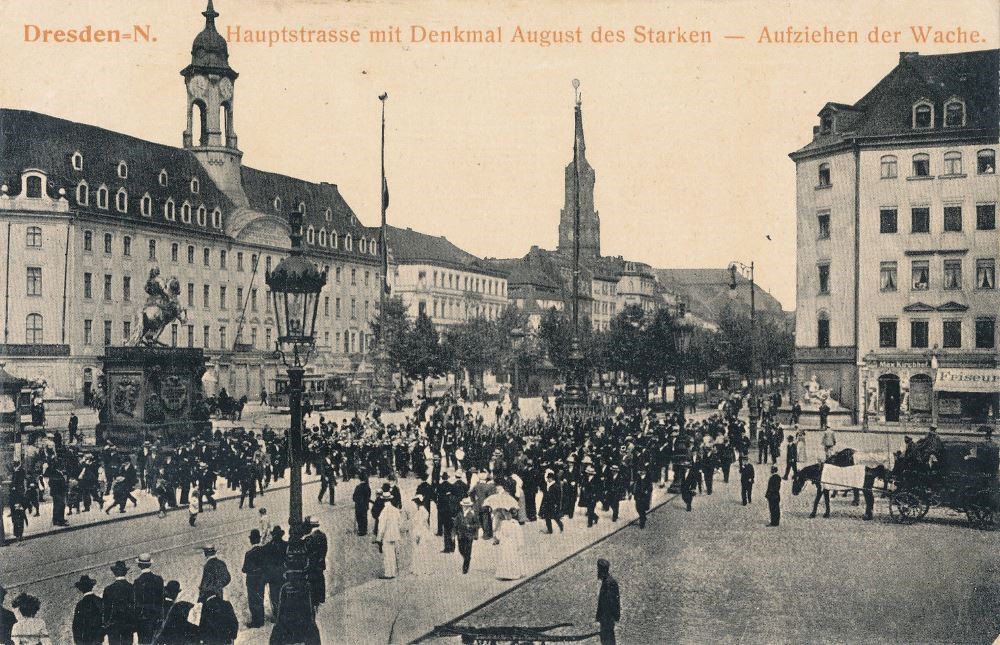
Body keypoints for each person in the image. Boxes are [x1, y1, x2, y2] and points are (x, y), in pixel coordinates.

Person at [133, 553, 164, 645]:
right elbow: (161, 599)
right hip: (157, 616)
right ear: (150, 564)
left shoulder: (138, 582)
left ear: (139, 565)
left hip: (143, 619)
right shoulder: (158, 579)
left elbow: (137, 603)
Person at [102, 560, 135, 645]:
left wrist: (105, 625)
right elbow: (134, 607)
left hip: (113, 626)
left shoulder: (108, 589)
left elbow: (106, 610)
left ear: (114, 573)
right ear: (125, 573)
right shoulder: (131, 588)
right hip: (128, 624)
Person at [156, 580, 198, 645]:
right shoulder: (179, 607)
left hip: (160, 638)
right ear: (176, 593)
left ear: (166, 591)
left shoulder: (159, 605)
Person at [242, 529, 267, 628]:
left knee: (253, 600)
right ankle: (261, 620)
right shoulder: (264, 551)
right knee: (260, 598)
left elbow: (244, 569)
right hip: (261, 578)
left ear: (251, 540)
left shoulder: (249, 554)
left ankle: (256, 621)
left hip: (252, 580)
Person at [303, 517, 328, 611]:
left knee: (313, 582)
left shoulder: (310, 538)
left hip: (312, 565)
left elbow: (308, 552)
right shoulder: (323, 535)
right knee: (320, 579)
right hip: (320, 563)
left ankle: (314, 601)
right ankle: (321, 598)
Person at [494, 507, 525, 580]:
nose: (507, 516)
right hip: (510, 543)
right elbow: (519, 535)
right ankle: (509, 574)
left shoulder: (506, 523)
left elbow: (500, 535)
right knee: (509, 557)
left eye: (508, 514)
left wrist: (497, 535)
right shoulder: (512, 523)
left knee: (508, 558)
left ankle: (508, 574)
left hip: (508, 543)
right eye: (506, 514)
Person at [71, 575, 103, 645]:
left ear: (81, 589)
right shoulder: (99, 601)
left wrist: (79, 642)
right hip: (99, 639)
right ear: (91, 587)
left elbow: (76, 626)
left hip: (85, 640)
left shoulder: (80, 605)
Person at [376, 490, 401, 579]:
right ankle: (393, 572)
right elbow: (399, 523)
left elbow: (381, 527)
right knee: (392, 554)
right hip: (395, 534)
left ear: (383, 501)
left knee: (387, 554)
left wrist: (379, 538)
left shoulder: (384, 512)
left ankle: (388, 573)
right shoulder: (395, 510)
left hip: (387, 535)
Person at [595, 559, 620, 645]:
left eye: (599, 570)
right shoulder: (607, 581)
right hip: (606, 618)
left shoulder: (609, 583)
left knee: (607, 640)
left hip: (607, 619)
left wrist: (611, 617)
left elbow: (612, 603)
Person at [455, 497, 480, 574]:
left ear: (469, 506)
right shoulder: (459, 514)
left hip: (469, 536)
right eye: (463, 506)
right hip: (461, 535)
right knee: (461, 549)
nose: (464, 507)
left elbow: (478, 525)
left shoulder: (473, 515)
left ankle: (465, 568)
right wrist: (454, 533)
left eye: (466, 506)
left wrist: (470, 526)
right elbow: (455, 524)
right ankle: (467, 558)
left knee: (468, 551)